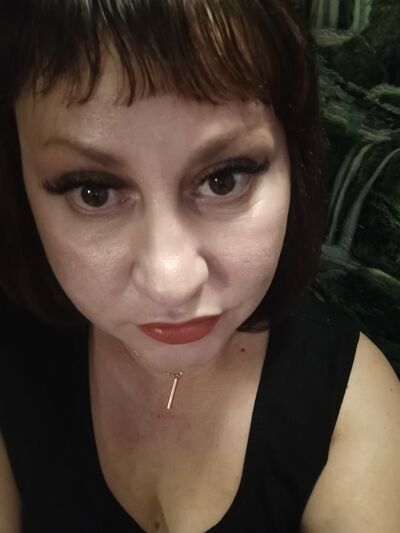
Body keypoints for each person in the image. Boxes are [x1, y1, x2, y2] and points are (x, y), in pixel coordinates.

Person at [0, 1, 399, 532]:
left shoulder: (351, 407)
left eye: (223, 180)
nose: (171, 282)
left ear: (295, 159)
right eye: (92, 192)